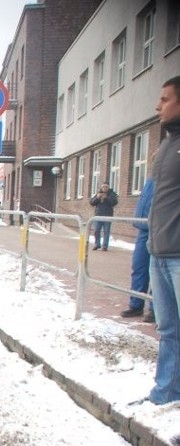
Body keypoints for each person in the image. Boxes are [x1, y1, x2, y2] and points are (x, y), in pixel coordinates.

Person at [146, 75, 180, 405]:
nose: (158, 105)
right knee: (168, 331)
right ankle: (165, 395)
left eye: (165, 99)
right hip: (160, 252)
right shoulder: (167, 144)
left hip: (178, 254)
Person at [121, 173, 155, 322]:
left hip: (158, 230)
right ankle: (136, 304)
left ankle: (155, 309)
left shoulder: (169, 179)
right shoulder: (149, 180)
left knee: (156, 271)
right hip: (142, 228)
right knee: (139, 267)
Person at [89, 182, 118, 250]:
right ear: (101, 188)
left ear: (108, 188)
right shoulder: (98, 194)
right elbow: (91, 203)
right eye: (103, 187)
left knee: (106, 231)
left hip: (107, 216)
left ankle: (105, 246)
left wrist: (106, 198)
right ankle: (97, 244)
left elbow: (113, 203)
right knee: (96, 230)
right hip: (98, 215)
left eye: (106, 187)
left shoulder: (112, 194)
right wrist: (97, 198)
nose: (104, 188)